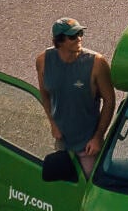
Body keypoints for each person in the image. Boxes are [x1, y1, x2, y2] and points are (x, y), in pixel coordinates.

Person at [36, 18, 114, 180]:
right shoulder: (43, 61)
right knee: (65, 185)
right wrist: (53, 124)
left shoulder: (97, 64)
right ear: (59, 41)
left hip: (88, 146)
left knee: (90, 185)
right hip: (62, 141)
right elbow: (44, 94)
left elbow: (109, 100)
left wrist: (98, 137)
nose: (79, 38)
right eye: (73, 36)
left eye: (80, 33)